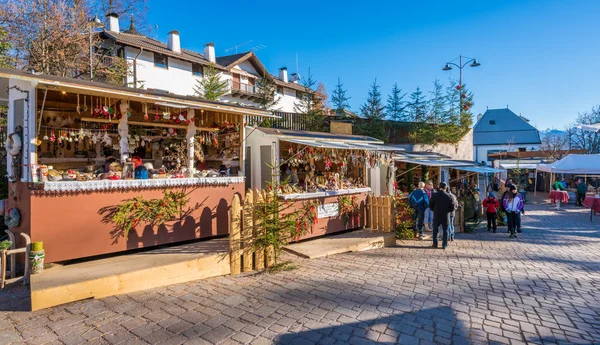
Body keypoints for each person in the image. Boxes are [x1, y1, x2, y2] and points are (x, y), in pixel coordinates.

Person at [428, 182, 457, 249]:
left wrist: (434, 210)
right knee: (445, 230)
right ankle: (445, 244)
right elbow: (453, 207)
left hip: (437, 214)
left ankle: (435, 244)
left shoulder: (435, 195)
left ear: (439, 187)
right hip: (446, 215)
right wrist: (448, 211)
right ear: (446, 188)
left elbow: (430, 205)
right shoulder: (449, 196)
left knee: (435, 229)